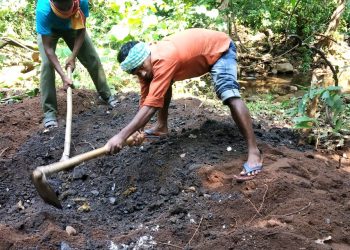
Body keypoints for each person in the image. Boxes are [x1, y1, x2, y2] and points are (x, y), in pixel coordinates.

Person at [106, 28, 263, 180]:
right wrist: (137, 131)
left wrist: (121, 136)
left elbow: (152, 105)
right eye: (136, 72)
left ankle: (254, 152)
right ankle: (161, 127)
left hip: (221, 49)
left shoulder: (163, 57)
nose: (142, 73)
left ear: (147, 56)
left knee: (228, 93)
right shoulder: (144, 66)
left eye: (142, 68)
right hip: (204, 54)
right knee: (159, 83)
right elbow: (146, 97)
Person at [36, 0, 118, 128]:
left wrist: (73, 57)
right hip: (50, 31)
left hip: (73, 27)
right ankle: (49, 112)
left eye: (67, 7)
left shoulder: (81, 2)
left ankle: (106, 95)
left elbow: (81, 30)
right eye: (61, 9)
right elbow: (48, 49)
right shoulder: (43, 10)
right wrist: (63, 75)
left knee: (92, 57)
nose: (64, 10)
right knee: (47, 65)